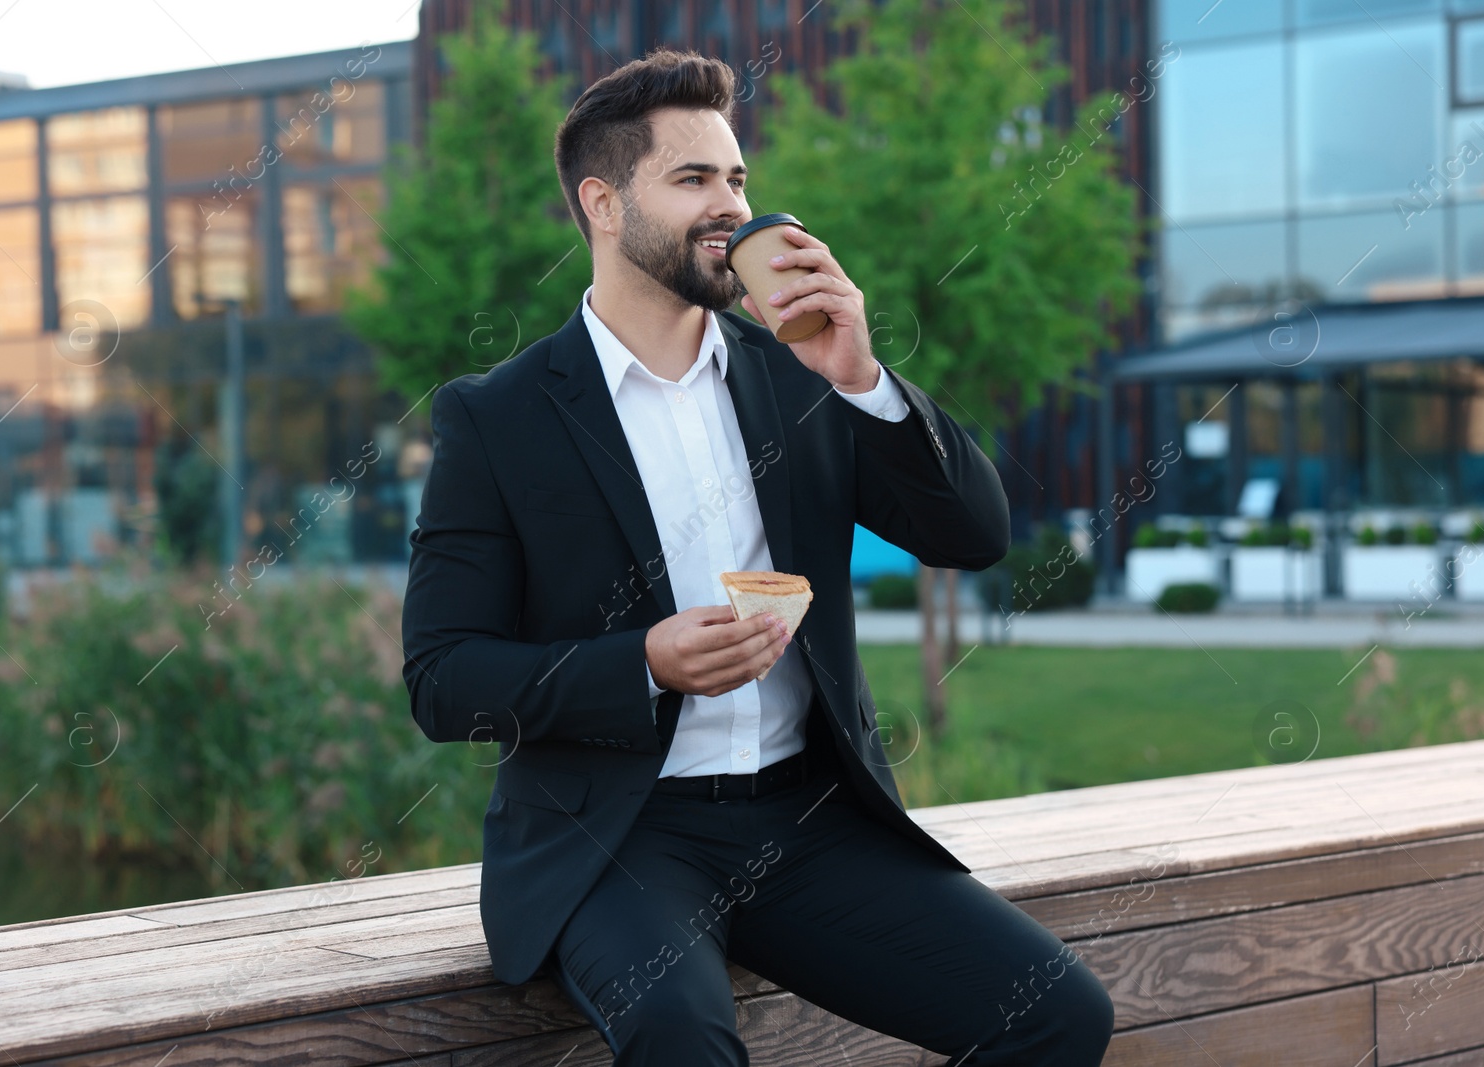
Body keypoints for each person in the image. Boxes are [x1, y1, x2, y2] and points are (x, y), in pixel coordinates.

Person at [401, 47, 1114, 1067]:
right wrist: (644, 662)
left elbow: (974, 535)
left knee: (1059, 1012)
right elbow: (442, 678)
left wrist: (863, 375)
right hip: (621, 838)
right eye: (692, 178)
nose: (730, 205)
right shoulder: (497, 416)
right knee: (681, 1034)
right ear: (603, 204)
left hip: (809, 821)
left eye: (736, 178)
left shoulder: (802, 377)